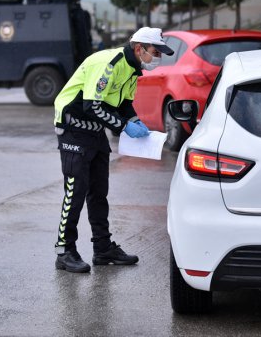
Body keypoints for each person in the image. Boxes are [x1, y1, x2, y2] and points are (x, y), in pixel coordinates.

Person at [52, 26, 174, 273]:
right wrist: (123, 126)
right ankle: (64, 251)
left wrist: (134, 119)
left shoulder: (132, 69)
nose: (157, 58)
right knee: (75, 191)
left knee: (99, 192)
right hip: (73, 126)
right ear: (139, 48)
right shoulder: (110, 63)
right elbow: (91, 105)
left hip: (95, 129)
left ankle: (103, 248)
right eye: (155, 52)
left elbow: (124, 103)